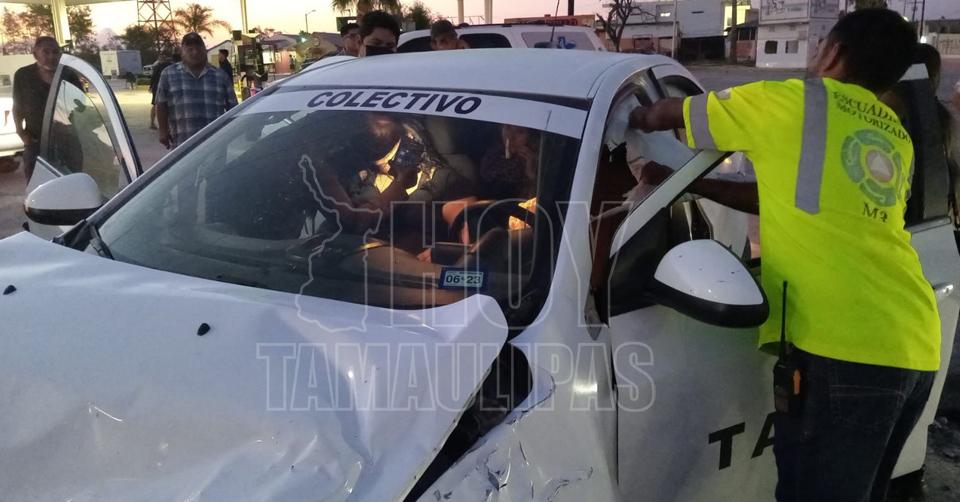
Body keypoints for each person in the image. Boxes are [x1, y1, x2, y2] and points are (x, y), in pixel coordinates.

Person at [629, 9, 935, 502]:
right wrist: (690, 184)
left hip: (844, 351)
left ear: (833, 52)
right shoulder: (893, 135)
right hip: (913, 342)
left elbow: (674, 117)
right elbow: (779, 198)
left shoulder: (790, 101)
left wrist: (633, 118)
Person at [156, 33, 237, 148]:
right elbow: (161, 105)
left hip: (215, 144)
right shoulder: (168, 74)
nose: (195, 52)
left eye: (198, 48)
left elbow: (233, 107)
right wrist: (162, 131)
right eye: (190, 49)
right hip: (182, 144)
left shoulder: (220, 76)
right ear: (182, 52)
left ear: (205, 50)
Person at [12, 36, 61, 180]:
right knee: (36, 184)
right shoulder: (23, 75)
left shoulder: (67, 75)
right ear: (35, 54)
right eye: (46, 52)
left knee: (68, 184)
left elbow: (80, 107)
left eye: (55, 52)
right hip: (35, 142)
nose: (51, 56)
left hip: (66, 143)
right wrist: (21, 132)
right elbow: (17, 106)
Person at [148, 53, 174, 130]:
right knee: (162, 105)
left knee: (156, 104)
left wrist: (151, 86)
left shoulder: (157, 66)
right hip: (164, 87)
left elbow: (153, 77)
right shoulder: (170, 66)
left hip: (156, 87)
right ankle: (163, 125)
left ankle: (153, 123)